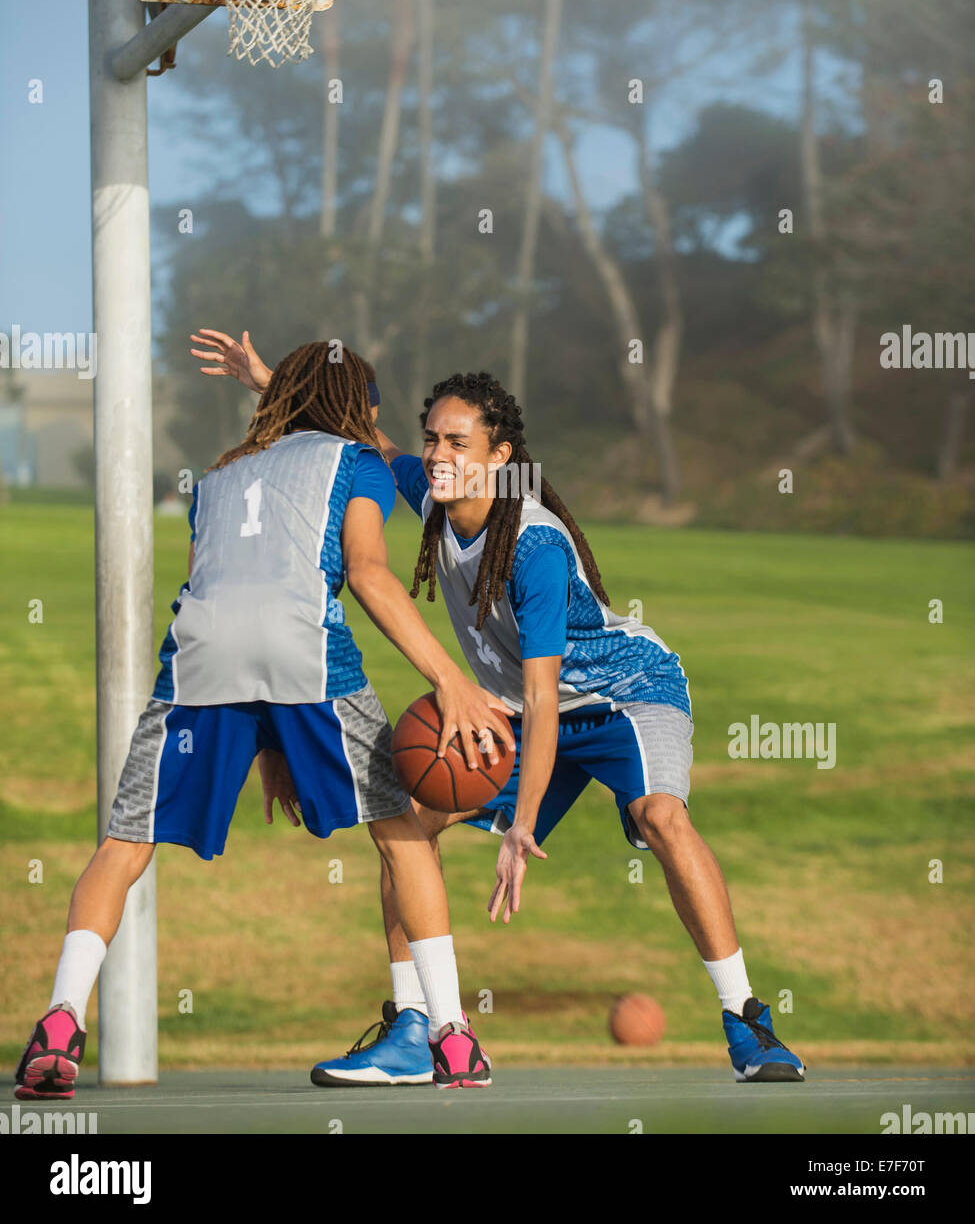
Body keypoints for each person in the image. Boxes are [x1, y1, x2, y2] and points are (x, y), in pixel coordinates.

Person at [192, 330, 806, 1087]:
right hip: (518, 708)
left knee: (660, 817)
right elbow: (361, 442)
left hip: (620, 696)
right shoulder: (436, 496)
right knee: (406, 827)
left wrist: (522, 824)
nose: (439, 453)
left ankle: (747, 1021)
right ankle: (415, 1026)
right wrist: (273, 386)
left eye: (458, 440)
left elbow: (546, 698)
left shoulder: (533, 548)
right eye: (432, 439)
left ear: (500, 457)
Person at [15, 343, 514, 1101]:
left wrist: (268, 742)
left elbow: (211, 580)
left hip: (199, 660)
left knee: (123, 844)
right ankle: (450, 1034)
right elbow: (370, 574)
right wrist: (449, 680)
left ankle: (57, 1024)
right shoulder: (357, 462)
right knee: (402, 833)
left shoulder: (216, 475)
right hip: (306, 657)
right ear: (357, 407)